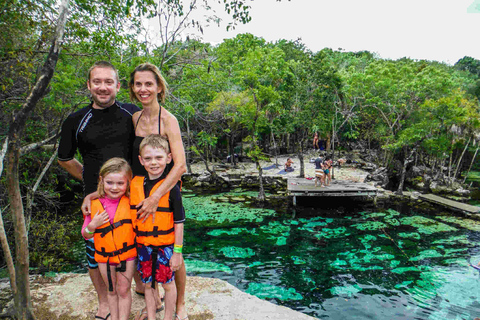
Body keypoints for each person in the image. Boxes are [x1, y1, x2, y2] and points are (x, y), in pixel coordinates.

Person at [58, 61, 140, 320]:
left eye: (108, 82)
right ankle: (104, 300)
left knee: (135, 244)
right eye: (97, 82)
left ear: (117, 85)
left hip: (131, 195)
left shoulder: (132, 113)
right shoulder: (75, 120)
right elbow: (65, 158)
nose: (102, 87)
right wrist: (91, 182)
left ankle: (145, 288)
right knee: (95, 252)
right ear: (89, 85)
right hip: (95, 199)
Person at [128, 63, 188, 320]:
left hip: (166, 189)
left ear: (159, 87)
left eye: (148, 84)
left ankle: (180, 304)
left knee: (171, 247)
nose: (143, 89)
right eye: (138, 84)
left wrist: (156, 197)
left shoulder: (169, 120)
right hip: (143, 189)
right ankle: (154, 304)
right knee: (148, 246)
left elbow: (181, 165)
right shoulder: (135, 118)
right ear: (133, 88)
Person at [131, 135, 185, 320]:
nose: (153, 162)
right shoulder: (137, 184)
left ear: (168, 158)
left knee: (168, 285)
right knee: (148, 284)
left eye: (159, 157)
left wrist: (177, 252)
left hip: (166, 246)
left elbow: (179, 222)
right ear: (141, 160)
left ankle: (168, 317)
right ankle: (152, 316)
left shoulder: (172, 189)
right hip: (144, 245)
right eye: (148, 158)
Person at [82, 158, 136, 320]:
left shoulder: (132, 203)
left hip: (127, 256)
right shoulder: (94, 204)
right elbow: (86, 234)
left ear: (128, 183)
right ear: (101, 181)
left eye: (120, 183)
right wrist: (93, 225)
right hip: (104, 257)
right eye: (109, 182)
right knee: (111, 291)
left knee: (124, 291)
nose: (114, 187)